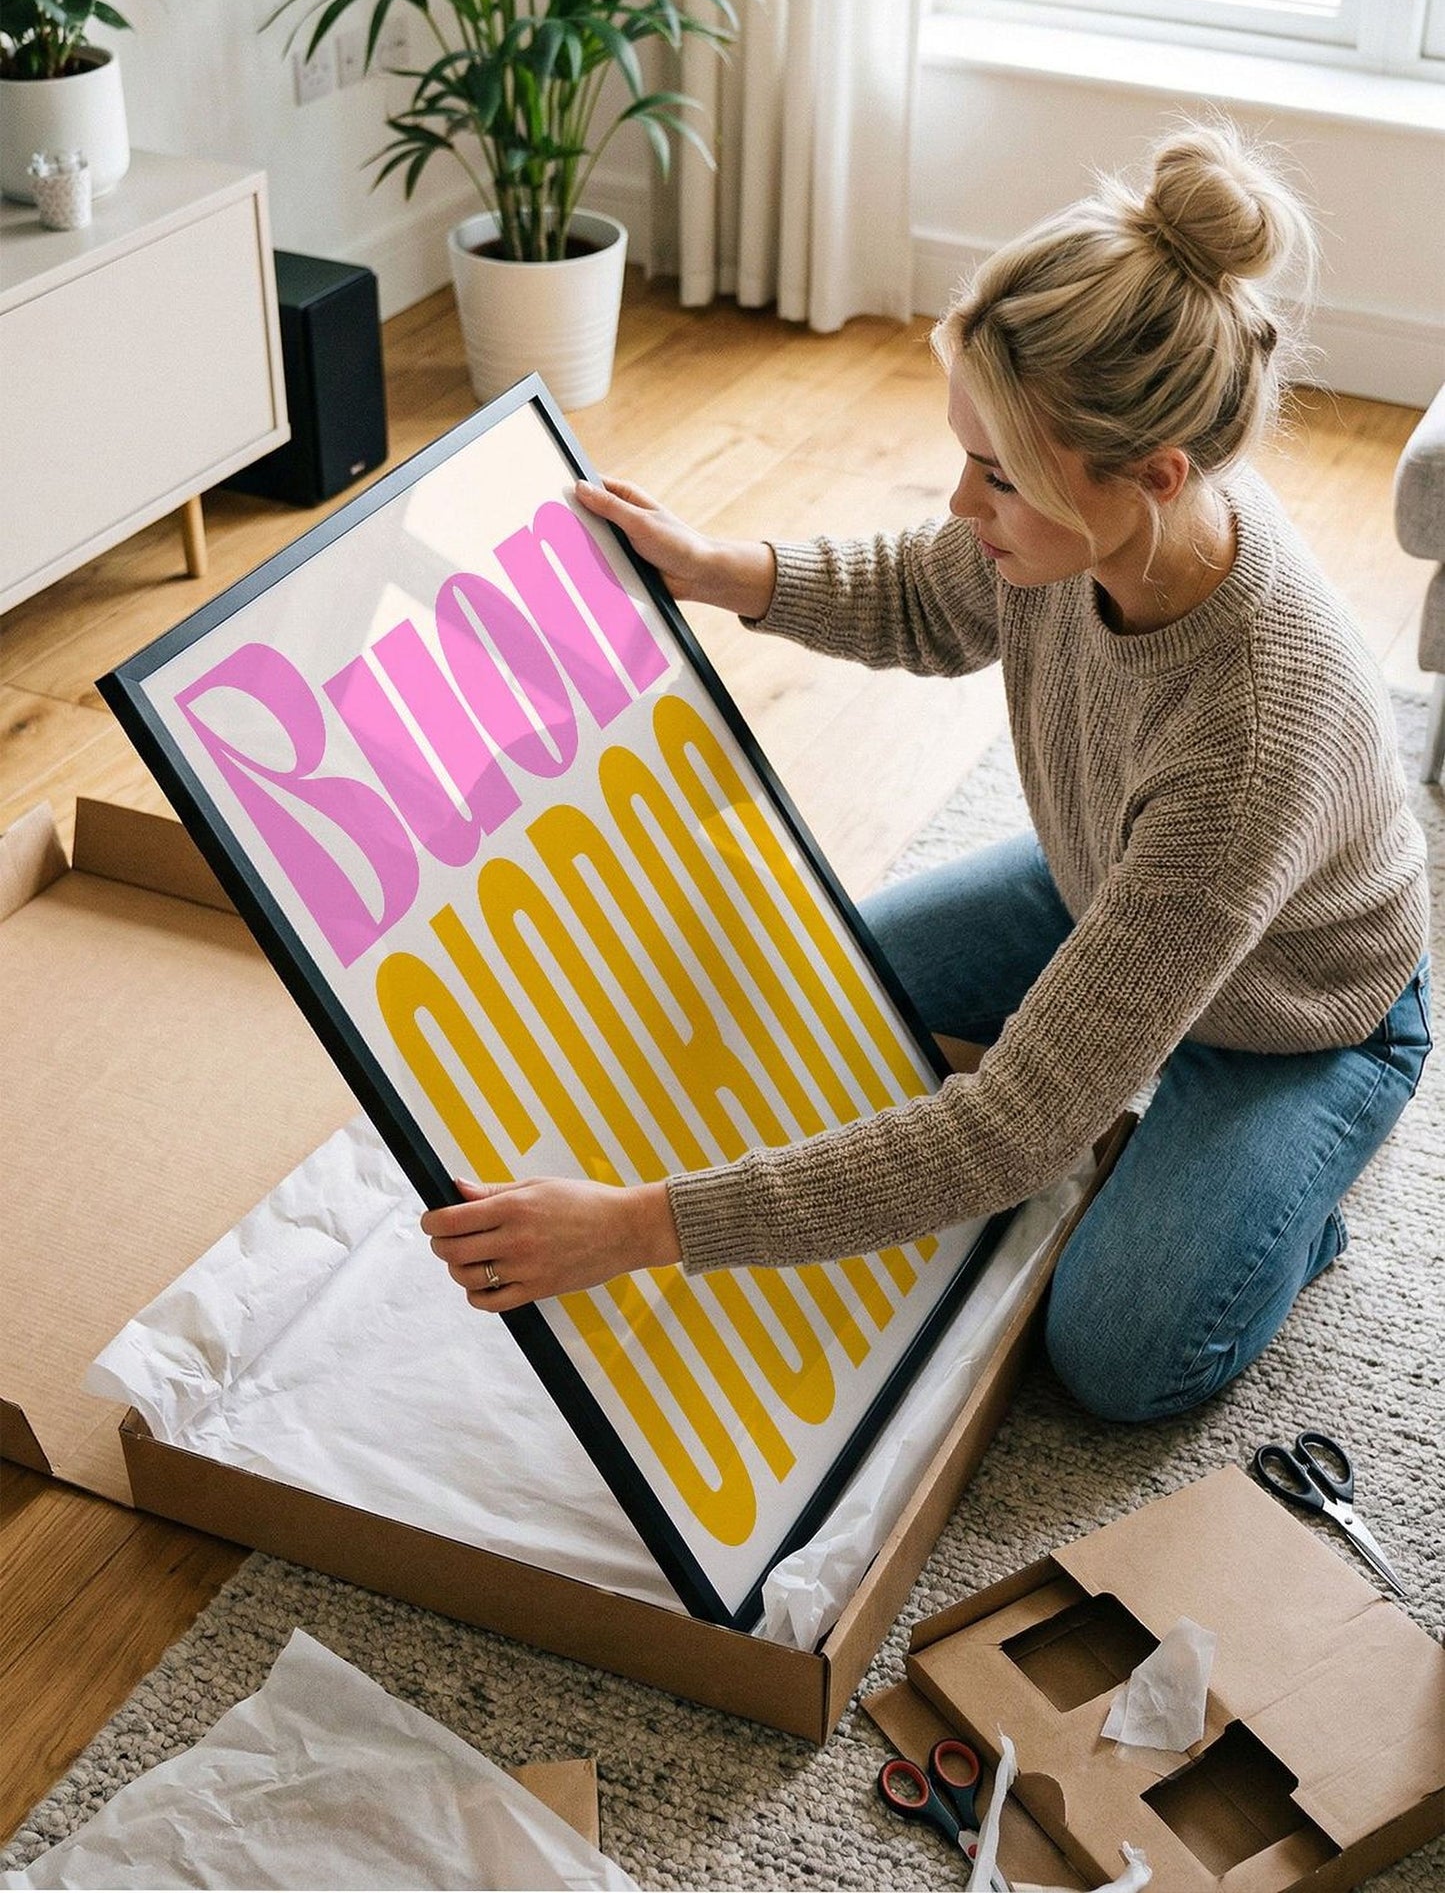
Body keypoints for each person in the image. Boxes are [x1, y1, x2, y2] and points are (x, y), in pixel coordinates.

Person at [423, 121, 1431, 1422]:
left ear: (1153, 476)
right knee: (818, 1002)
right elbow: (922, 591)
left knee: (1121, 1352)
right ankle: (1147, 1085)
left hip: (1296, 1013)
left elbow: (1013, 1131)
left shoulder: (1249, 739)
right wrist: (721, 569)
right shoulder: (1092, 528)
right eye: (966, 453)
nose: (961, 503)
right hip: (1099, 883)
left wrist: (638, 1227)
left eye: (997, 477)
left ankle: (1283, 1212)